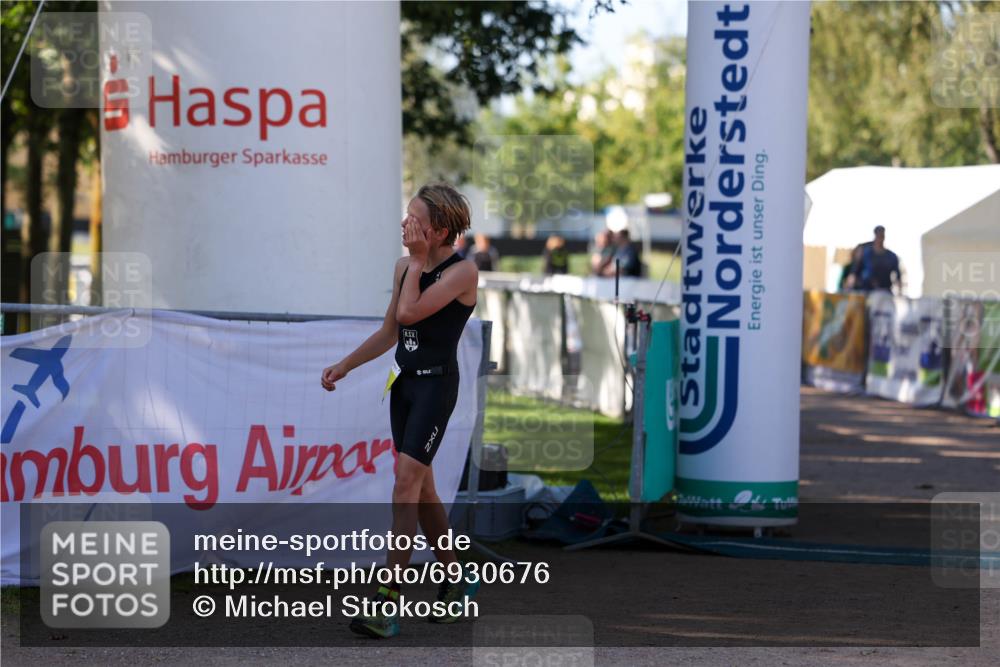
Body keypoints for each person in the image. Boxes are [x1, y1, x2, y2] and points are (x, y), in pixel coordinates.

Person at [320, 183, 480, 639]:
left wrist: (415, 262)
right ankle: (457, 582)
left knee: (406, 483)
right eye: (406, 216)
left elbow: (412, 314)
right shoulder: (403, 267)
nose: (405, 226)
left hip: (435, 389)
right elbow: (391, 332)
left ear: (440, 229)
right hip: (404, 386)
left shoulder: (463, 271)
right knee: (423, 491)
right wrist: (346, 365)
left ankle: (389, 600)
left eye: (415, 220)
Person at [849, 225, 901, 293]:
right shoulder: (866, 254)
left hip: (885, 291)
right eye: (878, 236)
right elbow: (855, 272)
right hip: (866, 290)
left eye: (881, 236)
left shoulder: (891, 256)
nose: (880, 239)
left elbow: (898, 276)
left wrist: (900, 290)